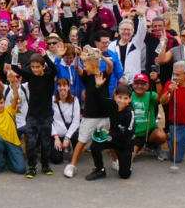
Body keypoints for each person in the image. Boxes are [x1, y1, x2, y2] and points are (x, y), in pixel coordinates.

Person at [64, 48, 114, 178]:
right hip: (90, 115)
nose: (84, 68)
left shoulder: (104, 75)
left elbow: (111, 65)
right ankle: (72, 165)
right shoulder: (86, 77)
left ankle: (116, 161)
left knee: (109, 139)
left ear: (93, 65)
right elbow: (76, 67)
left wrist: (101, 56)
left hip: (104, 114)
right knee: (82, 140)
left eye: (86, 65)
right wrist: (77, 55)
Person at [10, 53, 57, 178]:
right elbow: (15, 68)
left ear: (43, 67)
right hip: (32, 116)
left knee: (45, 143)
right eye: (33, 67)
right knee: (31, 143)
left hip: (46, 116)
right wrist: (14, 55)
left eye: (37, 67)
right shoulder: (30, 76)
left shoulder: (49, 76)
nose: (35, 69)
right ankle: (31, 166)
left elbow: (54, 68)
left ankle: (45, 165)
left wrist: (45, 56)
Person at [85, 80, 135, 181]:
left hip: (125, 143)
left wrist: (110, 132)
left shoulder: (130, 114)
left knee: (124, 175)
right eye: (119, 97)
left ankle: (126, 162)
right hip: (112, 138)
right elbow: (99, 98)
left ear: (130, 99)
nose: (122, 101)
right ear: (115, 96)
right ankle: (100, 170)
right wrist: (98, 86)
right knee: (95, 145)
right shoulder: (112, 104)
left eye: (125, 98)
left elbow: (128, 135)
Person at [130, 73, 168, 161]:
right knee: (130, 158)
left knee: (161, 136)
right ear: (132, 85)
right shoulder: (128, 96)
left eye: (143, 84)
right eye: (137, 83)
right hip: (134, 134)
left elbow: (160, 97)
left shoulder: (151, 94)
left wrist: (157, 81)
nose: (140, 86)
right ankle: (137, 148)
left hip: (149, 132)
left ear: (147, 86)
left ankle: (154, 145)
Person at [50, 78, 80, 165]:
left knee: (78, 136)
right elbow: (49, 120)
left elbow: (76, 121)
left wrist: (67, 137)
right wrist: (56, 137)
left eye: (65, 85)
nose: (62, 88)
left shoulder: (74, 100)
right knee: (56, 159)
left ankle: (72, 148)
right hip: (57, 134)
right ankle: (62, 148)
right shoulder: (52, 100)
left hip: (70, 133)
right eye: (60, 85)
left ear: (69, 87)